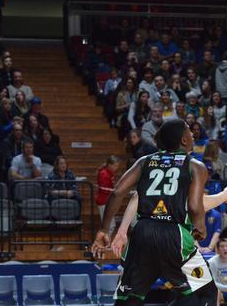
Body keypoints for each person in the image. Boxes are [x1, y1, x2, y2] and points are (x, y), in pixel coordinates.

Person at [91, 120, 217, 306]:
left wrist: (103, 229)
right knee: (205, 293)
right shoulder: (195, 166)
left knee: (130, 298)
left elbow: (118, 192)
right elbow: (194, 206)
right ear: (183, 140)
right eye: (189, 131)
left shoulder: (145, 161)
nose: (192, 135)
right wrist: (200, 225)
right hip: (175, 236)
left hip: (141, 233)